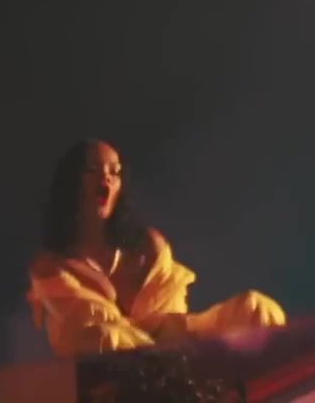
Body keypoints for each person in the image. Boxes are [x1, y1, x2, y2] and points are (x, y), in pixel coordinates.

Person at [25, 140, 287, 357]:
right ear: (71, 183)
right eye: (93, 169)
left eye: (115, 172)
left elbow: (177, 323)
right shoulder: (51, 266)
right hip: (119, 373)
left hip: (180, 351)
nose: (106, 178)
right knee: (106, 337)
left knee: (256, 308)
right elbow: (91, 332)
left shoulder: (146, 245)